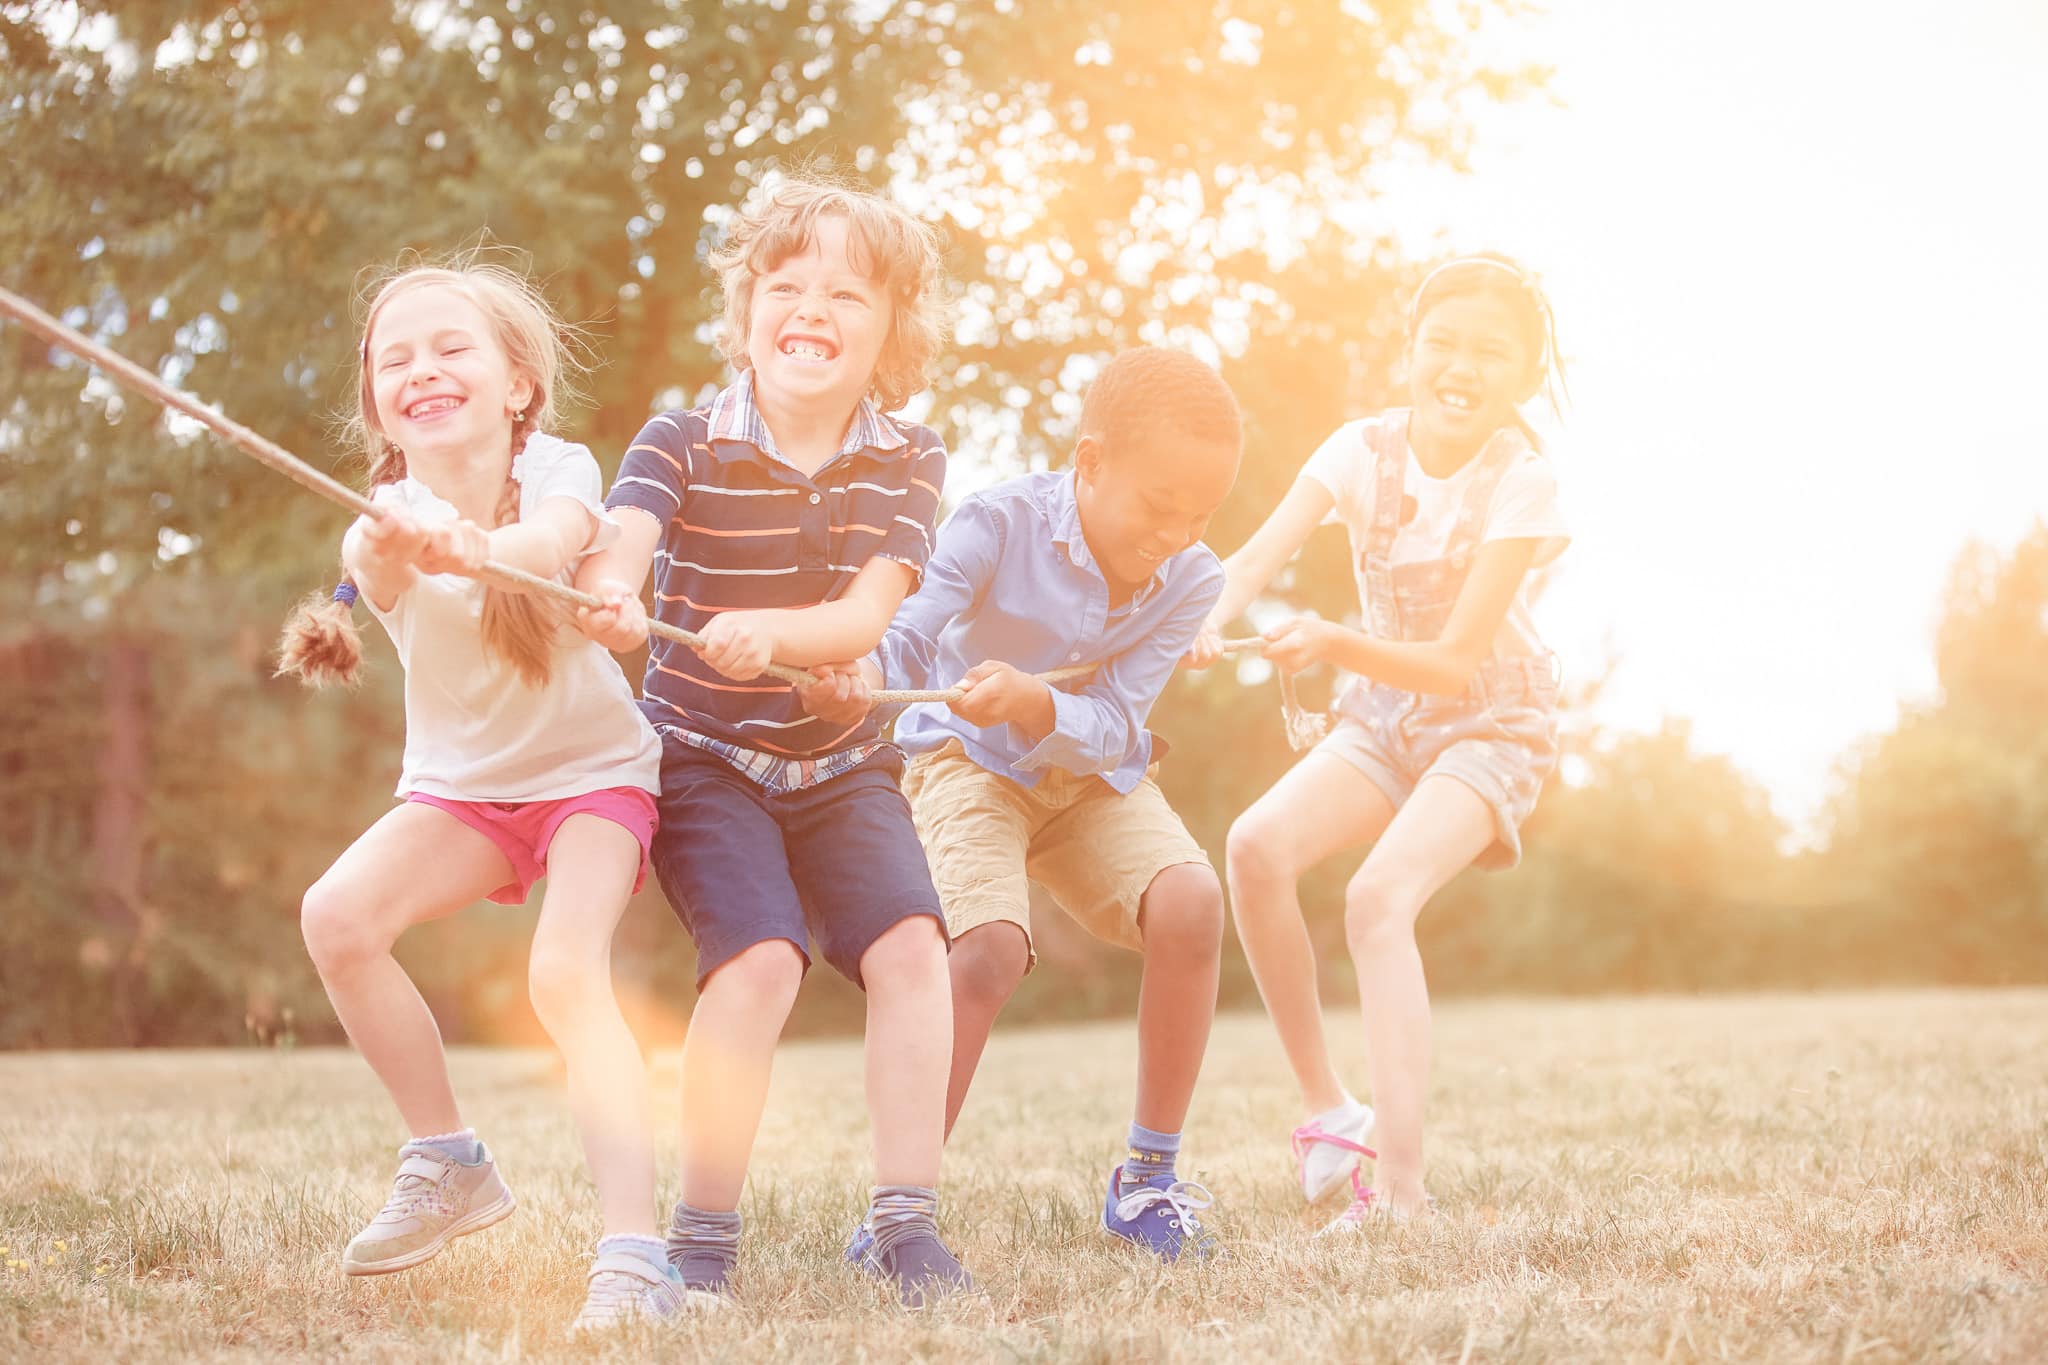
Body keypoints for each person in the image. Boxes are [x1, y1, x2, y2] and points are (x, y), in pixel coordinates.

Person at [573, 174, 970, 1306]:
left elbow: (861, 614)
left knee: (910, 954)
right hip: (703, 757)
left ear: (892, 327)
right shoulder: (681, 436)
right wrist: (606, 588)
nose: (812, 309)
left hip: (842, 765)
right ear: (746, 310)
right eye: (786, 285)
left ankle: (905, 1224)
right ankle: (701, 1243)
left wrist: (772, 631)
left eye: (847, 293)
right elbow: (625, 537)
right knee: (756, 965)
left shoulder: (910, 457)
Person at [277, 259, 685, 1329]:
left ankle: (636, 1254)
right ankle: (448, 1158)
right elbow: (377, 562)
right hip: (465, 794)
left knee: (562, 974)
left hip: (593, 777)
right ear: (376, 401)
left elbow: (550, 544)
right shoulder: (377, 519)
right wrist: (410, 547)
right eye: (393, 359)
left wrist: (481, 549)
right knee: (338, 917)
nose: (421, 370)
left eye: (450, 347)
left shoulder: (561, 467)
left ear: (516, 383)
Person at [805, 346, 1243, 1262]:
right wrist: (862, 675)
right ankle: (898, 1210)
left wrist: (1039, 703)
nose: (1175, 531)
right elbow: (914, 632)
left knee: (1193, 902)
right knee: (988, 950)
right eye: (1158, 505)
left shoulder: (1193, 578)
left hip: (1089, 776)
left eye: (1198, 513)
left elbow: (1120, 724)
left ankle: (1147, 1180)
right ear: (1089, 462)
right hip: (967, 762)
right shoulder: (995, 522)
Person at [1188, 254, 1570, 1230]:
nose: (1460, 364)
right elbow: (1249, 560)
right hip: (1385, 719)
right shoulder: (1356, 451)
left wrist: (1328, 637)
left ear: (1523, 377)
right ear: (1406, 355)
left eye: (1490, 352)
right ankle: (1330, 1114)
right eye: (1440, 342)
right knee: (1254, 847)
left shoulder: (1522, 483)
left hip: (1490, 719)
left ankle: (1401, 1195)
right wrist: (1200, 618)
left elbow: (1450, 663)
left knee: (1374, 899)